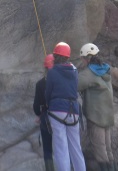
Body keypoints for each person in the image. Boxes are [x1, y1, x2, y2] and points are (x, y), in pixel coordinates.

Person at [45, 42, 86, 171]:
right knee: (76, 147)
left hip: (56, 110)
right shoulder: (74, 71)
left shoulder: (52, 72)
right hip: (73, 110)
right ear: (68, 57)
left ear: (55, 55)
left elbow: (48, 93)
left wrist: (47, 104)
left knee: (61, 148)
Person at [78, 43, 115, 171]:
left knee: (100, 151)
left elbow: (75, 85)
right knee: (108, 149)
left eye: (82, 58)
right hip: (108, 116)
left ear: (87, 58)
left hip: (96, 117)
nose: (82, 61)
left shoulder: (89, 73)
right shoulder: (105, 68)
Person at [33, 54, 55, 171]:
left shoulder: (40, 84)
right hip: (64, 117)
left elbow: (37, 105)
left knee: (47, 149)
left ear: (45, 68)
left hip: (46, 117)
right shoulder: (61, 80)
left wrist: (39, 115)